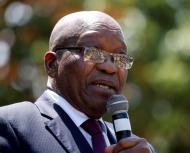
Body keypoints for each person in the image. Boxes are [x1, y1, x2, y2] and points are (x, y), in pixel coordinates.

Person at [0, 11, 156, 153]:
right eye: (93, 53)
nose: (110, 68)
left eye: (120, 58)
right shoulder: (11, 124)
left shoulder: (137, 148)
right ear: (52, 64)